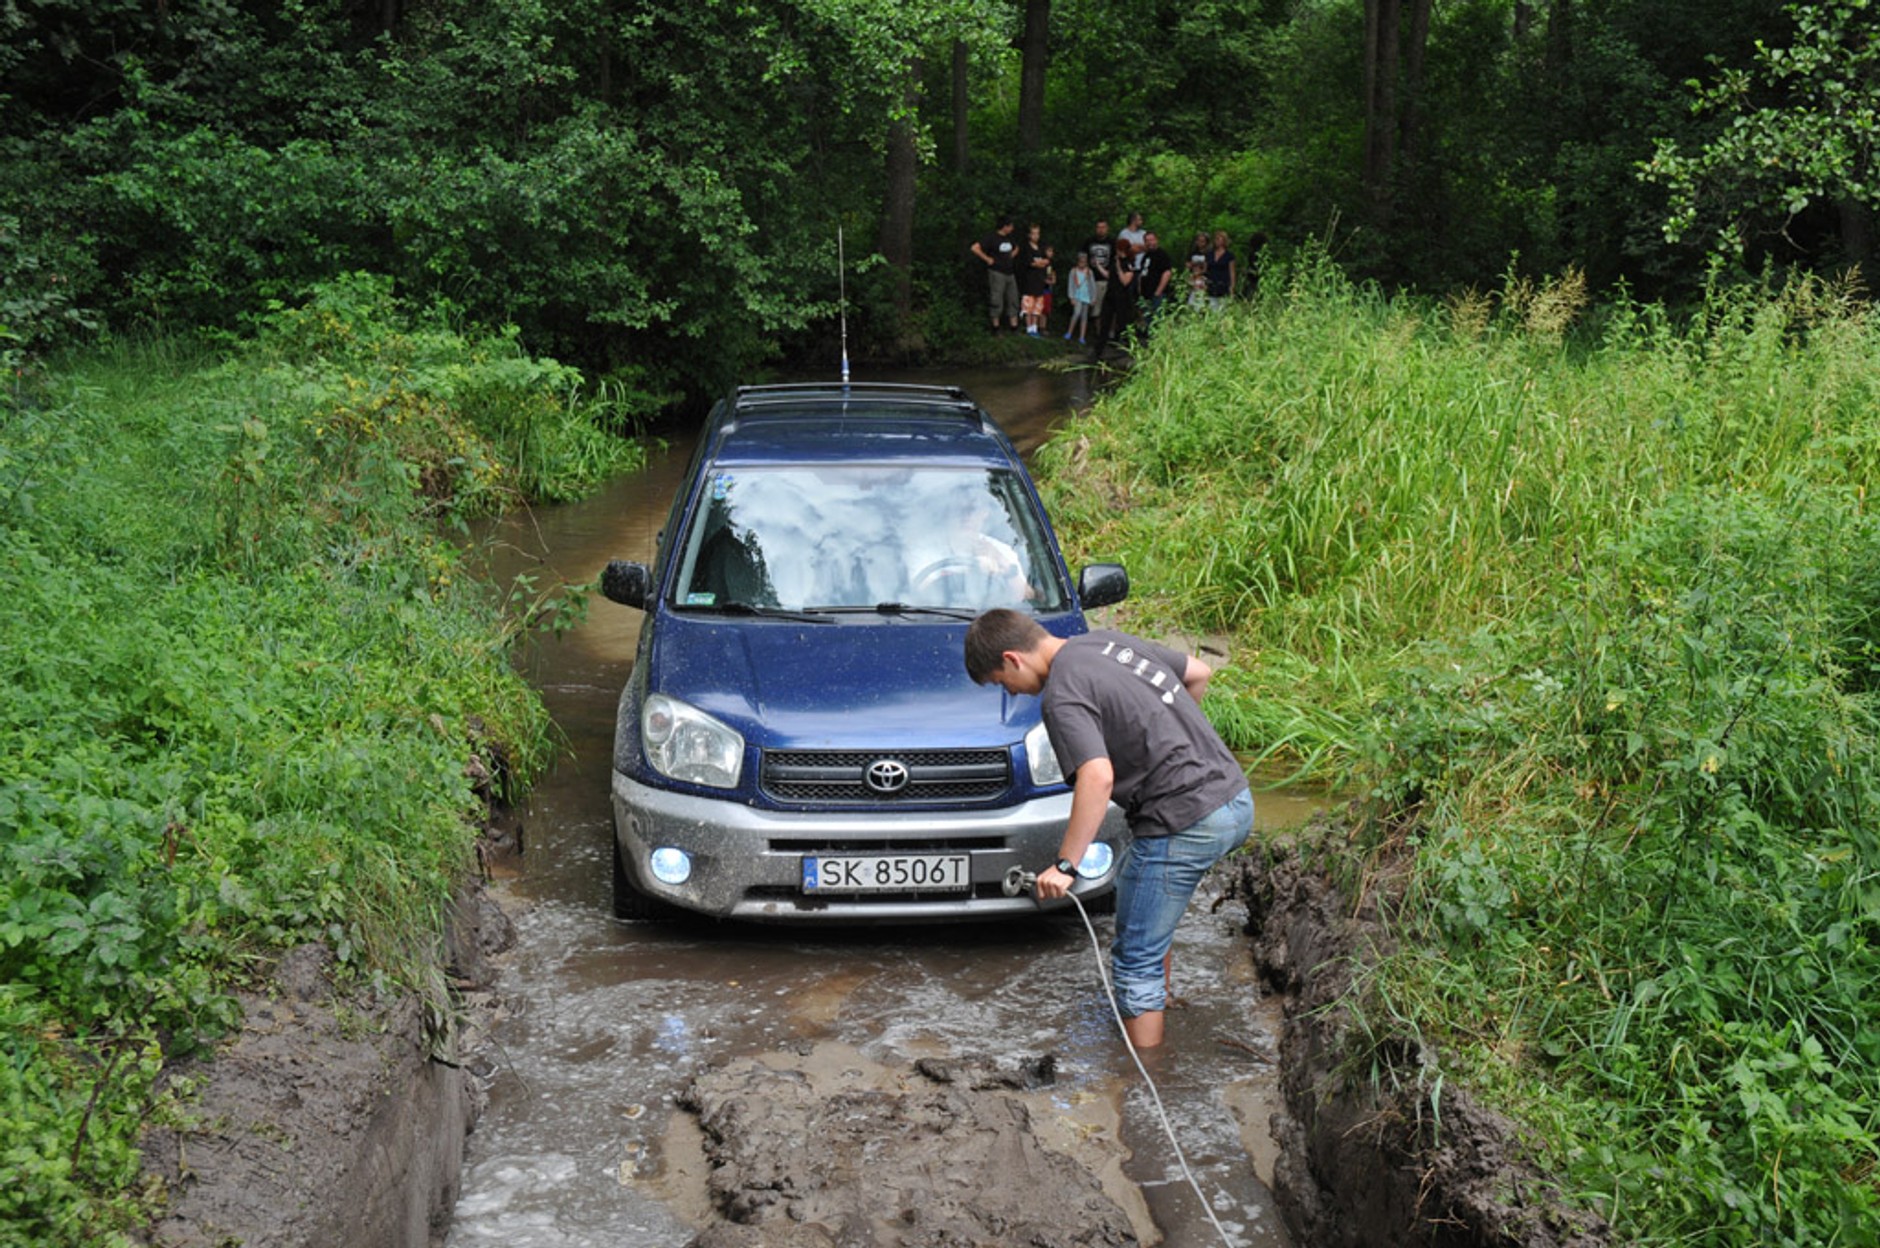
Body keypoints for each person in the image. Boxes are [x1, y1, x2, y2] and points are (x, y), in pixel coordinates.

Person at [963, 609, 1253, 1049]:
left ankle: (1144, 1080)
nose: (1011, 692)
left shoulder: (1060, 695)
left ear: (1012, 658)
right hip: (1235, 800)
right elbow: (1198, 673)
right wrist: (1164, 743)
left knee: (1135, 961)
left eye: (1002, 682)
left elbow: (1096, 777)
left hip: (1185, 821)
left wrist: (1066, 864)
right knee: (1148, 906)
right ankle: (1163, 1000)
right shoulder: (1108, 642)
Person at [1088, 236, 1139, 360]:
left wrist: (1118, 268)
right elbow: (1109, 275)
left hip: (1122, 298)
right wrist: (1099, 266)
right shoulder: (1114, 260)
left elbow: (1125, 281)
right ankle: (1098, 351)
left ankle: (1132, 348)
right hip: (1110, 296)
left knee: (1124, 324)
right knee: (1105, 323)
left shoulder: (1129, 263)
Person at [970, 217, 1021, 332]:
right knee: (997, 299)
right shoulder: (991, 238)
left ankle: (1014, 326)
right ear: (1005, 226)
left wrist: (1011, 255)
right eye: (1010, 226)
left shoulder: (1009, 238)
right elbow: (975, 248)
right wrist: (987, 259)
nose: (1012, 229)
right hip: (997, 272)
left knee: (1013, 298)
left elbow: (1016, 247)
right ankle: (995, 327)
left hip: (1010, 272)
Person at [1015, 223, 1053, 336]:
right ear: (1029, 235)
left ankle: (1035, 327)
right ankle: (1029, 327)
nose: (1036, 236)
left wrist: (1040, 263)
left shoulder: (1041, 248)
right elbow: (1030, 263)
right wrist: (1038, 263)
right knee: (1028, 305)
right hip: (1029, 281)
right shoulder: (1026, 248)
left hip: (1039, 281)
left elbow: (1047, 261)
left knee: (1037, 306)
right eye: (1033, 233)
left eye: (1038, 233)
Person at [1138, 232, 1174, 332]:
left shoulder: (1161, 254)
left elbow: (1167, 273)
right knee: (1148, 320)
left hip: (1157, 294)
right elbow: (1143, 274)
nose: (1150, 243)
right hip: (1146, 294)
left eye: (1151, 240)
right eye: (1147, 240)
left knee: (1158, 320)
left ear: (1156, 240)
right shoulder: (1146, 256)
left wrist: (1159, 291)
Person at [1081, 219, 1115, 324]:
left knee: (1108, 307)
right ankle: (1097, 333)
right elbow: (1082, 257)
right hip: (1091, 277)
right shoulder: (1089, 242)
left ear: (1107, 229)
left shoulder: (1112, 242)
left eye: (1103, 227)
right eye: (1098, 227)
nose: (1101, 230)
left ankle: (1110, 333)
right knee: (1095, 308)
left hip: (1106, 278)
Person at [1064, 251, 1095, 343]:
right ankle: (1069, 332)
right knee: (1076, 313)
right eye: (1080, 261)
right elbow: (1070, 284)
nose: (1082, 263)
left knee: (1084, 316)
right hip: (1077, 296)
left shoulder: (1089, 272)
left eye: (1084, 262)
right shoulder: (1073, 271)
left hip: (1086, 296)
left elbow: (1092, 285)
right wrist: (1071, 297)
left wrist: (1093, 298)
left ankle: (1082, 336)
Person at [1205, 229, 1236, 311]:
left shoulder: (1229, 255)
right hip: (1211, 284)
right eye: (1216, 239)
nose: (1217, 241)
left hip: (1223, 284)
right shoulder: (1209, 254)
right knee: (1212, 308)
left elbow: (1232, 272)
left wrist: (1232, 287)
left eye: (1219, 239)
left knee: (1223, 309)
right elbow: (1205, 269)